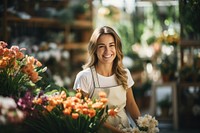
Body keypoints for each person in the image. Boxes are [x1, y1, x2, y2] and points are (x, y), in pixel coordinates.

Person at [73, 26, 141, 133]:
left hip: (125, 128)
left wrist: (143, 127)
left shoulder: (124, 74)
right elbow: (84, 114)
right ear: (94, 49)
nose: (107, 51)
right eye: (101, 46)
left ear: (117, 47)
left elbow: (131, 104)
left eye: (111, 45)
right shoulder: (84, 77)